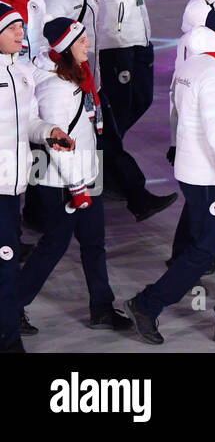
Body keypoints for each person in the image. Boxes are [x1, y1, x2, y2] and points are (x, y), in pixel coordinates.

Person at [124, 1, 215, 345]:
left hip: (208, 171)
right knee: (206, 249)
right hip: (208, 176)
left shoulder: (197, 63)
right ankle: (147, 303)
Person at [67, 0, 175, 220]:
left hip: (134, 33)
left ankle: (103, 164)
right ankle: (125, 185)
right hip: (114, 41)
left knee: (138, 101)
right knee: (111, 120)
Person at [18, 19, 132, 334]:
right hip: (62, 181)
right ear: (66, 46)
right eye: (82, 40)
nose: (88, 45)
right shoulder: (56, 87)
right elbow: (56, 143)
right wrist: (78, 186)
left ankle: (102, 308)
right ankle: (11, 307)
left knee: (94, 243)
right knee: (54, 244)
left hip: (84, 171)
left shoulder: (73, 75)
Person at [0, 3, 75, 353]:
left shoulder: (24, 72)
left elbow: (29, 121)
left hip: (14, 186)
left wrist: (49, 131)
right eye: (12, 28)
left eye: (20, 27)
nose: (21, 33)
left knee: (8, 263)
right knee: (5, 267)